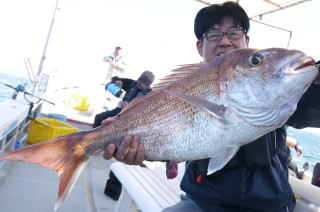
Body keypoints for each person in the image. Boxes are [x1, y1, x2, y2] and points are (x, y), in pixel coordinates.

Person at [103, 2, 320, 211]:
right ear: (200, 46)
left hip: (269, 206)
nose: (225, 41)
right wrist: (130, 146)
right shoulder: (186, 85)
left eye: (234, 33)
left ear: (246, 39)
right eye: (214, 34)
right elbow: (166, 140)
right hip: (200, 204)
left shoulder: (284, 91)